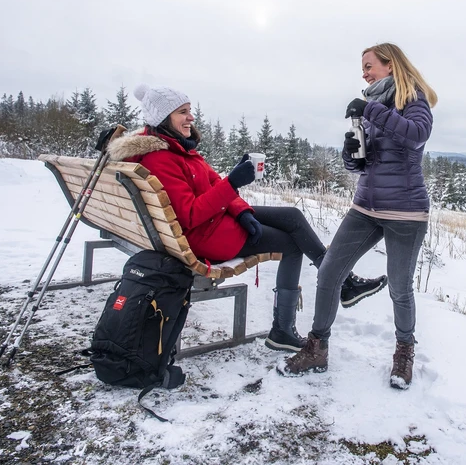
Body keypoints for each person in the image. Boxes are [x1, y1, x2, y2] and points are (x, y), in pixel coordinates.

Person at [107, 84, 387, 352]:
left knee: (292, 216)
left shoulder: (178, 148)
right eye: (182, 112)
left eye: (189, 110)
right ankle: (285, 330)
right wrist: (232, 183)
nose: (191, 117)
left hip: (211, 223)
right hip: (205, 237)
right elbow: (191, 215)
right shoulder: (162, 158)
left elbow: (214, 184)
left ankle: (343, 282)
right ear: (162, 118)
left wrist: (240, 210)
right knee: (291, 244)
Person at [279, 43, 438, 389]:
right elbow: (364, 162)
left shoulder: (413, 99)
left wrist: (370, 110)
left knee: (399, 287)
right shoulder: (371, 107)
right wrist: (351, 155)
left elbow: (417, 135)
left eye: (369, 66)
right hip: (366, 206)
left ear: (390, 65)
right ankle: (317, 348)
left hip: (406, 211)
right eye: (362, 68)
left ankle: (404, 352)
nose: (364, 73)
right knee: (329, 271)